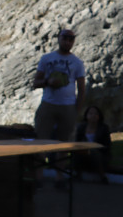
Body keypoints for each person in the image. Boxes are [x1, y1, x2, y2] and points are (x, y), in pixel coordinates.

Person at [33, 28, 86, 187]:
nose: (68, 41)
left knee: (65, 143)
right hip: (48, 104)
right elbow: (35, 82)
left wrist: (77, 110)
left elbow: (82, 89)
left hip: (68, 106)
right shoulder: (47, 58)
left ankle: (59, 177)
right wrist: (48, 82)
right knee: (40, 140)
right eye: (65, 38)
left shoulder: (77, 63)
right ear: (59, 38)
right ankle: (38, 176)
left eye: (71, 39)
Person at [74, 105, 112, 182]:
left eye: (95, 114)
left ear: (99, 116)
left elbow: (107, 145)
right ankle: (77, 174)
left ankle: (102, 176)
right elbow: (77, 141)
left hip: (99, 154)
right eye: (90, 113)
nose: (93, 116)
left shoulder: (104, 128)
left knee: (93, 152)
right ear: (86, 115)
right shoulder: (81, 127)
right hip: (83, 152)